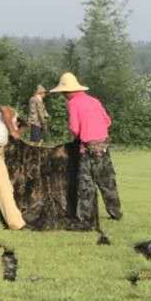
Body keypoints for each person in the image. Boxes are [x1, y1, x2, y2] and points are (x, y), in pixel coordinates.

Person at [49, 71, 122, 224]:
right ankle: (115, 213)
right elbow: (107, 121)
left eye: (63, 92)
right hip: (103, 145)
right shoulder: (94, 101)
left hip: (87, 148)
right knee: (107, 181)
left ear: (68, 91)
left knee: (86, 183)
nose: (63, 95)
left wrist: (80, 136)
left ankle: (84, 217)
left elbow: (75, 128)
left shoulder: (73, 103)